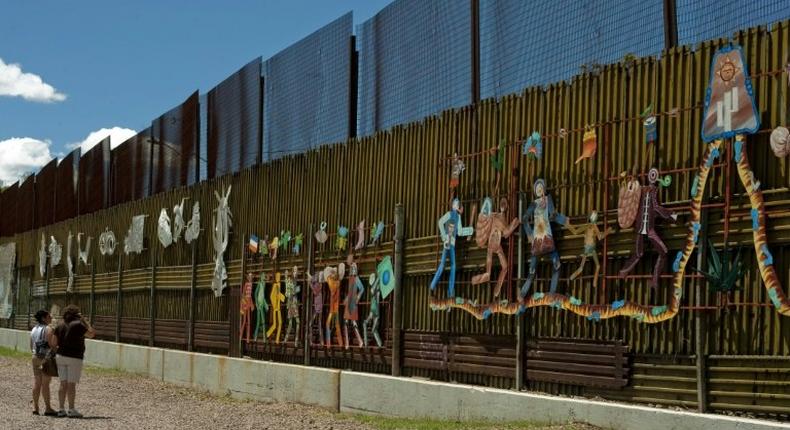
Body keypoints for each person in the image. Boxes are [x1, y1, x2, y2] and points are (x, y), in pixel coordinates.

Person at [51, 305, 95, 418]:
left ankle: (61, 409)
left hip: (60, 356)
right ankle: (71, 409)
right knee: (71, 384)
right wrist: (85, 321)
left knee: (63, 383)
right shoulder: (78, 324)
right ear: (76, 314)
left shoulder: (59, 325)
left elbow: (53, 344)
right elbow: (91, 334)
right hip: (75, 357)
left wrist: (60, 351)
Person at [30, 310, 57, 416]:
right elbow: (52, 344)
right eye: (49, 316)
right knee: (45, 384)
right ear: (43, 318)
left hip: (35, 357)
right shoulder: (48, 329)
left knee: (37, 383)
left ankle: (35, 407)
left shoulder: (33, 329)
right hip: (45, 358)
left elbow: (31, 345)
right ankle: (48, 408)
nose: (51, 318)